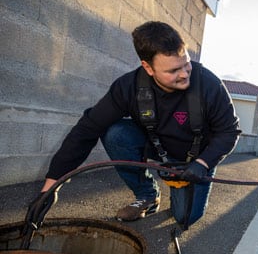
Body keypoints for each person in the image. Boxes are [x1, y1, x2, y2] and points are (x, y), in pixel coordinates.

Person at [34, 21, 241, 227]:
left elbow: (229, 131)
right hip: (158, 148)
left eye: (186, 64)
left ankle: (184, 195)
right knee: (114, 133)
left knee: (185, 218)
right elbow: (87, 129)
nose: (185, 74)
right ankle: (148, 194)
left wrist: (203, 164)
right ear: (148, 67)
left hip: (198, 159)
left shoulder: (208, 84)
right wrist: (51, 187)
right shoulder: (128, 87)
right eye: (173, 70)